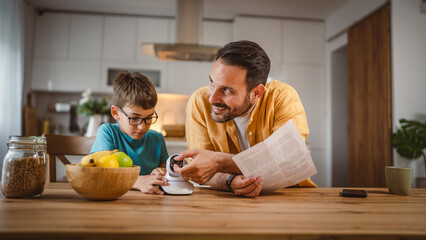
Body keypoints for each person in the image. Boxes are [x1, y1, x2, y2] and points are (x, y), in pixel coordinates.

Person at [174, 40, 316, 197]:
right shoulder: (198, 101)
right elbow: (202, 170)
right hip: (227, 200)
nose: (212, 98)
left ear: (256, 93)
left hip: (287, 196)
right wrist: (229, 181)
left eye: (227, 90)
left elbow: (286, 160)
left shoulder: (283, 97)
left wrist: (219, 161)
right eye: (212, 83)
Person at [91, 71, 169, 195]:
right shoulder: (108, 132)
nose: (142, 126)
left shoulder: (157, 139)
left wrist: (161, 174)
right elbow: (100, 174)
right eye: (134, 118)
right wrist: (137, 182)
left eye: (149, 118)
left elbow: (165, 173)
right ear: (116, 113)